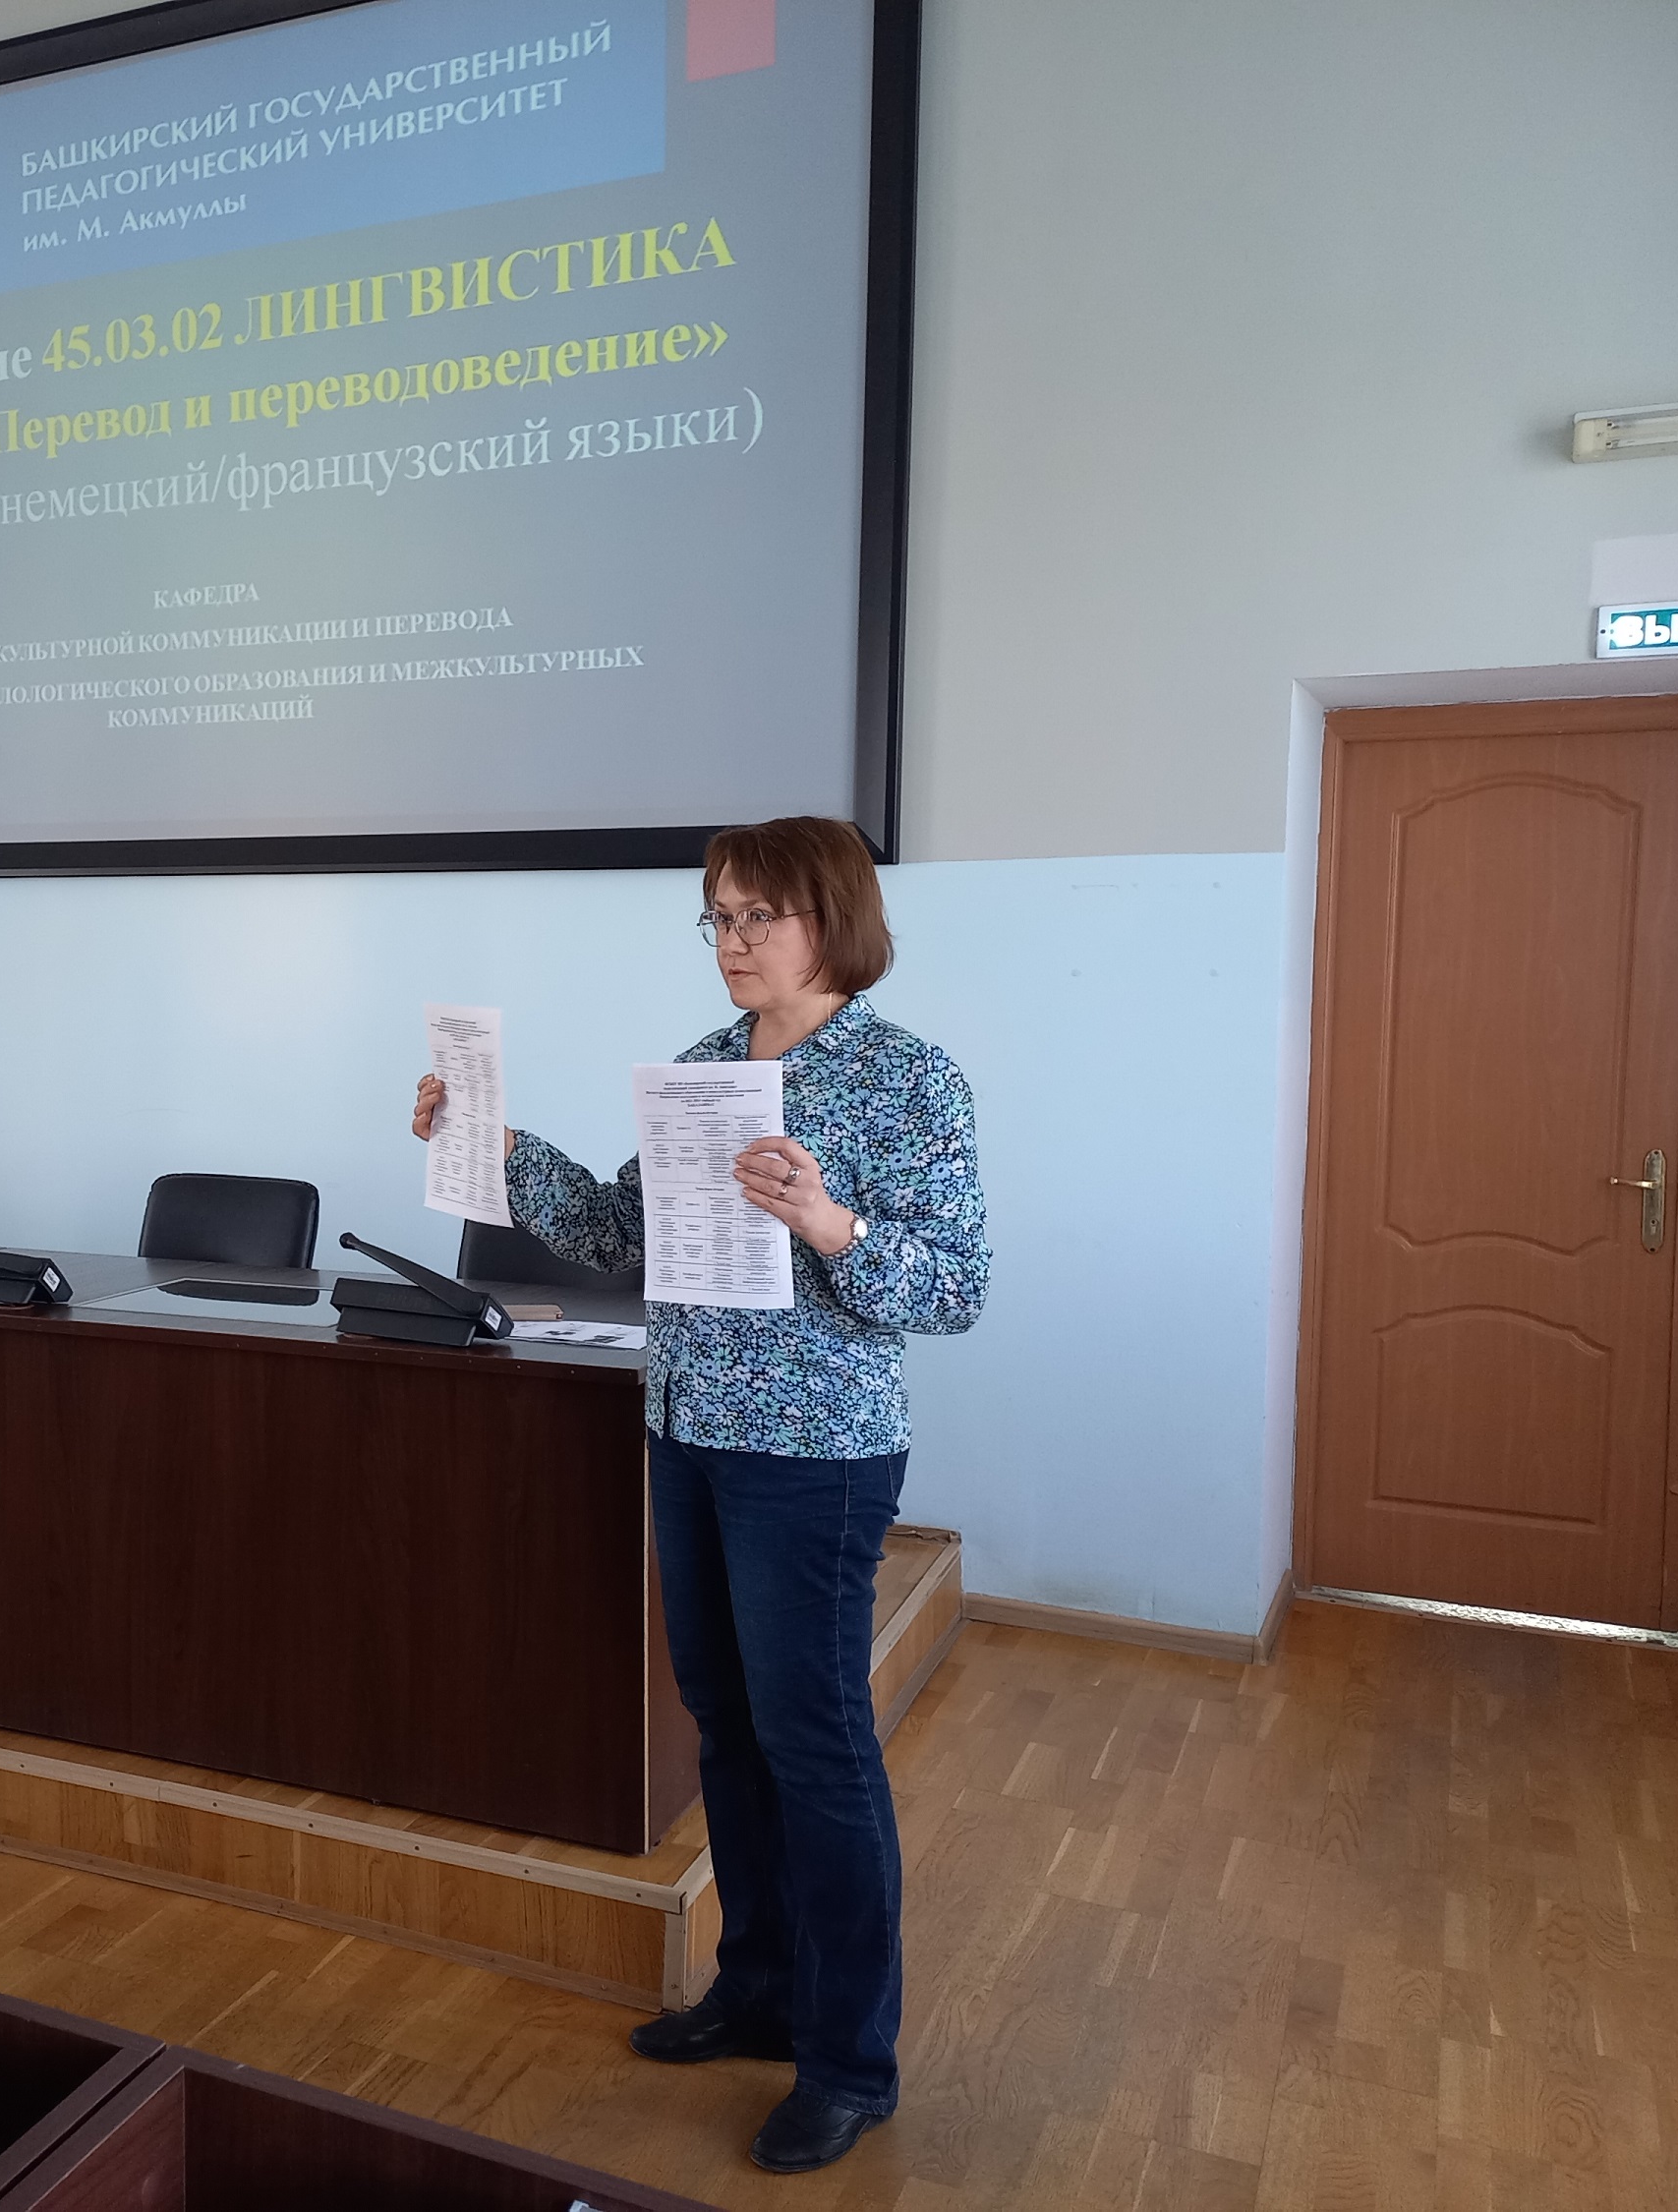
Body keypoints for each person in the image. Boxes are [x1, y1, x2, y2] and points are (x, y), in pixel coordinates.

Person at [411, 816, 987, 2175]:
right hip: (688, 1430)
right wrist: (493, 1144)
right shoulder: (702, 1067)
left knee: (816, 1744)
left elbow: (955, 1286)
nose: (730, 941)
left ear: (829, 921)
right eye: (717, 917)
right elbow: (619, 1233)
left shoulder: (909, 1078)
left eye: (755, 917)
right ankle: (759, 1988)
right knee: (726, 1724)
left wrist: (831, 1223)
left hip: (816, 1455)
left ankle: (849, 2060)